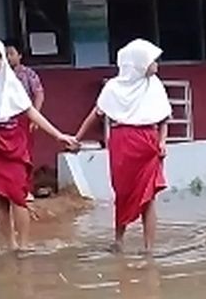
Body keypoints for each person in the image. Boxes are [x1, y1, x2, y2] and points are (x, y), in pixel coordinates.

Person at [0, 37, 77, 251]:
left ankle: (23, 246)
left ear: (2, 59)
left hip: (12, 141)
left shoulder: (11, 82)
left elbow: (30, 111)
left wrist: (58, 135)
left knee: (17, 195)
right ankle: (10, 244)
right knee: (0, 197)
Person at [73, 38, 170, 254]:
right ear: (138, 63)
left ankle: (149, 249)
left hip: (148, 144)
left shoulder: (154, 85)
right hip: (123, 142)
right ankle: (119, 240)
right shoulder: (113, 88)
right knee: (123, 192)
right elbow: (96, 114)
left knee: (149, 196)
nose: (157, 65)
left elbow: (164, 119)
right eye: (152, 60)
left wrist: (162, 142)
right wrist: (77, 138)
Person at [4, 39, 47, 201]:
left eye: (11, 54)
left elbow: (39, 94)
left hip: (24, 117)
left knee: (25, 153)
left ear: (19, 55)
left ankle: (26, 189)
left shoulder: (28, 74)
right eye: (5, 54)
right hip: (4, 119)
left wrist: (35, 117)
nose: (8, 58)